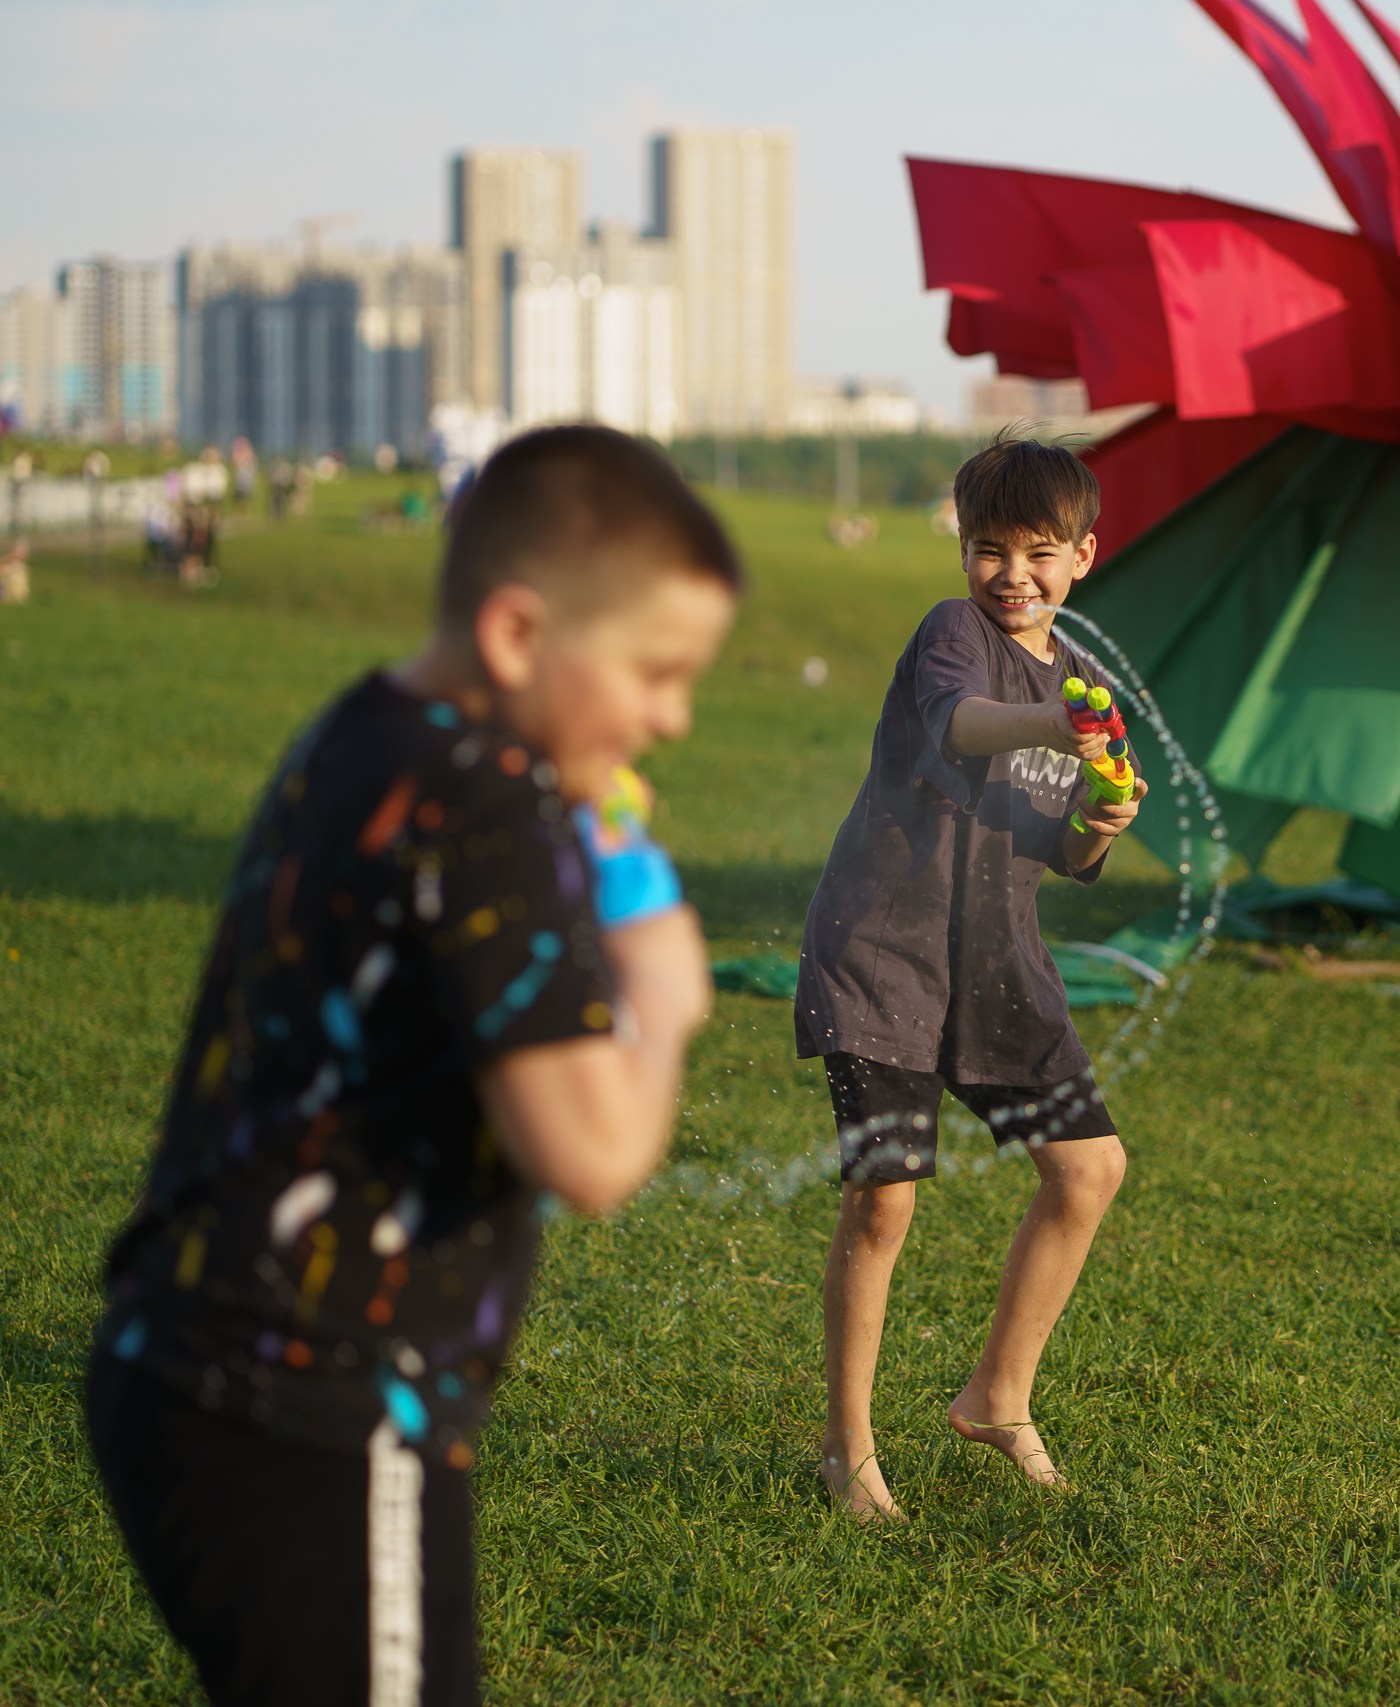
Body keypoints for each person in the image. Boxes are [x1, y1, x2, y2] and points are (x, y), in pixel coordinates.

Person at [84, 426, 739, 1706]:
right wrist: (660, 995)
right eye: (657, 672)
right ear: (515, 635)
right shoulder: (495, 804)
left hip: (181, 1355)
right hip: (312, 1407)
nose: (675, 715)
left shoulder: (369, 728)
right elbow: (593, 1153)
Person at [796, 431, 1146, 1524]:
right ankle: (846, 1448)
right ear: (962, 550)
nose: (1011, 574)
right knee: (884, 1201)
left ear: (1084, 555)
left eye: (1039, 552)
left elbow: (1064, 850)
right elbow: (962, 726)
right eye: (988, 548)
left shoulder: (1079, 682)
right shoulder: (954, 638)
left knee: (1087, 1172)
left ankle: (998, 1395)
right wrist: (1054, 723)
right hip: (883, 958)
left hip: (996, 967)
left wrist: (1102, 818)